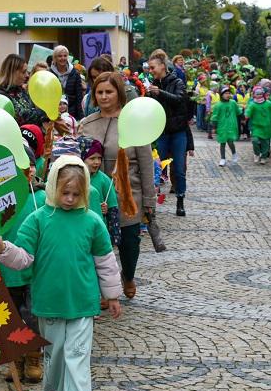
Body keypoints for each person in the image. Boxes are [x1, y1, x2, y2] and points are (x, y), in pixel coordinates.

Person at [0, 156, 123, 391]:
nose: (69, 198)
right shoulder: (38, 219)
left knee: (78, 353)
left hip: (82, 301)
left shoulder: (92, 221)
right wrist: (3, 249)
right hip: (49, 301)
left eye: (76, 194)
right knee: (55, 353)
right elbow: (23, 258)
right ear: (53, 187)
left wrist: (112, 295)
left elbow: (105, 259)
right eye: (65, 192)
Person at [79, 72, 156, 299]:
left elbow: (146, 163)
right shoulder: (86, 124)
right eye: (99, 92)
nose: (104, 96)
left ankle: (128, 275)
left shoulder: (133, 123)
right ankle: (103, 289)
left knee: (129, 243)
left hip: (128, 194)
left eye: (109, 92)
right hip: (94, 195)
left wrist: (150, 201)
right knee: (98, 244)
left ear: (119, 93)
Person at [0, 144, 46, 384]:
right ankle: (16, 357)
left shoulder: (41, 198)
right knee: (13, 316)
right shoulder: (1, 200)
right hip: (8, 271)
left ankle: (33, 356)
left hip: (34, 270)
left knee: (33, 315)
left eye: (26, 165)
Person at [146, 51, 189, 216]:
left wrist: (160, 93)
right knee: (155, 168)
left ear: (163, 66)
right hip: (160, 132)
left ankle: (180, 200)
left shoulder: (177, 82)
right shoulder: (152, 84)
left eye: (152, 67)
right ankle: (151, 204)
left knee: (178, 168)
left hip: (177, 131)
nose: (150, 70)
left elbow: (179, 99)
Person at [0, 54, 49, 127]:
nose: (27, 75)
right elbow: (20, 117)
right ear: (12, 73)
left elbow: (30, 110)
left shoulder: (20, 90)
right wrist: (46, 112)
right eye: (24, 72)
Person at [50, 45, 85, 120]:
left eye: (65, 56)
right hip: (54, 113)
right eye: (59, 56)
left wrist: (81, 117)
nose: (63, 58)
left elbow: (79, 96)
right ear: (55, 58)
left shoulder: (75, 73)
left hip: (72, 113)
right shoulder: (50, 73)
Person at [211, 85, 240, 166]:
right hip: (222, 127)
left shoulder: (233, 103)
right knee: (222, 143)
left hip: (231, 126)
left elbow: (238, 112)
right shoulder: (218, 105)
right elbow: (214, 117)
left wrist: (243, 118)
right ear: (221, 95)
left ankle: (234, 154)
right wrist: (214, 127)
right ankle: (222, 158)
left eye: (228, 93)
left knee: (230, 141)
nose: (228, 95)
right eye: (225, 93)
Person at [245, 86, 271, 164]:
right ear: (254, 95)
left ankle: (264, 157)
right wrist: (246, 115)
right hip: (256, 127)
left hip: (266, 127)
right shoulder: (252, 104)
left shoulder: (267, 103)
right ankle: (257, 154)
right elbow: (248, 112)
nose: (259, 95)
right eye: (257, 94)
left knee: (265, 144)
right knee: (255, 140)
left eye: (261, 93)